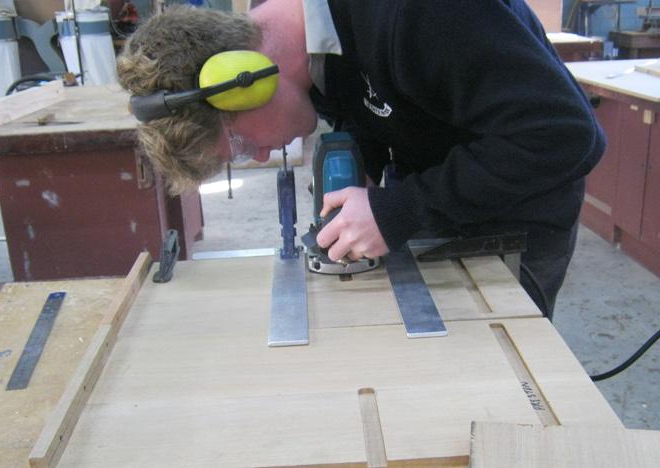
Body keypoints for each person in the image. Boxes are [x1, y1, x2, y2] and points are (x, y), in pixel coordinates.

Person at [117, 0, 606, 320]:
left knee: (488, 388)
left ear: (245, 78)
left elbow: (565, 134)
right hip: (440, 193)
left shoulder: (421, 13)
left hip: (518, 211)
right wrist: (366, 162)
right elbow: (365, 86)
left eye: (241, 145)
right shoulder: (306, 39)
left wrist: (402, 209)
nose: (262, 154)